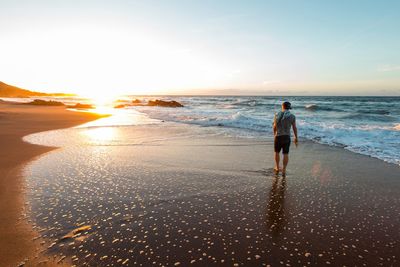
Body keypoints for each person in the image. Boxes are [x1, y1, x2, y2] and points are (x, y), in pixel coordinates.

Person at [272, 101, 298, 176]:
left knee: (277, 152)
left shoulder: (277, 115)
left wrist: (275, 135)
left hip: (278, 136)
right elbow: (294, 128)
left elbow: (274, 127)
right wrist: (296, 137)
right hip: (287, 137)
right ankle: (284, 170)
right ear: (289, 108)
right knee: (285, 153)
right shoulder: (292, 116)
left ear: (282, 107)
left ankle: (277, 167)